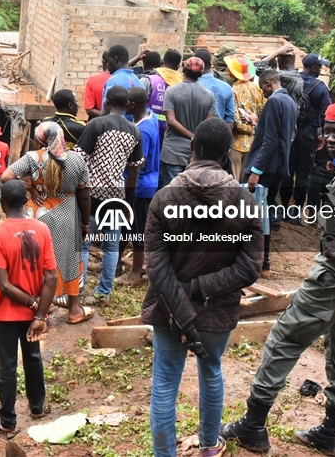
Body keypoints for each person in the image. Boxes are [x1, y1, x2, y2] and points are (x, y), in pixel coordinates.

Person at [225, 101, 335, 456]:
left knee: (287, 334)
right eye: (327, 130)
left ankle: (253, 425)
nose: (330, 138)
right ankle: (332, 433)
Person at [145, 119, 263, 457]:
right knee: (211, 371)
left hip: (168, 309)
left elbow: (157, 266)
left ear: (193, 147)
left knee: (165, 383)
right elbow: (249, 267)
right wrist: (201, 289)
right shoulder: (244, 200)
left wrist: (186, 295)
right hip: (217, 310)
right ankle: (210, 446)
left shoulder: (164, 198)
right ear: (227, 155)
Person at [0, 180, 57, 437]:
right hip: (32, 315)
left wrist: (32, 303)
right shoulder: (42, 229)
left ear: (2, 204)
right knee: (33, 358)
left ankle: (7, 420)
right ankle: (37, 407)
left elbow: (3, 286)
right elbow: (51, 278)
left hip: (6, 314)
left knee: (7, 366)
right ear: (26, 202)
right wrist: (41, 313)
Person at [2, 122, 93, 324]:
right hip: (67, 218)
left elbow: (6, 176)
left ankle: (41, 304)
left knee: (38, 260)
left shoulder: (33, 157)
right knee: (69, 258)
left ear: (41, 139)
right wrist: (85, 224)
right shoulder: (77, 159)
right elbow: (85, 196)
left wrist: (29, 187)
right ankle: (74, 310)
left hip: (37, 217)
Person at [77, 86, 144, 302]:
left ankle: (78, 290)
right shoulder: (135, 131)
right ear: (126, 105)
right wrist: (127, 202)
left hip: (91, 195)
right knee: (111, 245)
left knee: (84, 244)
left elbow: (79, 161)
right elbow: (134, 170)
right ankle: (104, 293)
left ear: (107, 102)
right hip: (116, 196)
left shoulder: (96, 124)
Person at [244, 69, 298, 277]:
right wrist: (258, 124)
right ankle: (264, 263)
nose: (263, 94)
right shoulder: (290, 101)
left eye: (262, 90)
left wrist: (256, 171)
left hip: (265, 167)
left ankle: (254, 261)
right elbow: (280, 134)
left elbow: (271, 140)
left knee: (252, 213)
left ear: (268, 84)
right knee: (266, 212)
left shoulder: (274, 102)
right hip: (279, 166)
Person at [280, 53, 331, 215]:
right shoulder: (321, 88)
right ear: (314, 67)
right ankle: (295, 213)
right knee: (303, 173)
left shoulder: (290, 80)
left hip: (290, 132)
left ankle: (283, 207)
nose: (321, 69)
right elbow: (326, 114)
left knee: (287, 169)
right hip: (309, 135)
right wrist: (322, 134)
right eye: (320, 66)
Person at [161, 57, 218, 186]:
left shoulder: (171, 91)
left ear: (183, 70)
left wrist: (192, 136)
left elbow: (171, 120)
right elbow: (208, 125)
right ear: (201, 73)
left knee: (173, 194)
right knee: (193, 194)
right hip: (196, 154)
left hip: (173, 151)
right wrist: (195, 139)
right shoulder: (209, 96)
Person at [124, 86, 160, 285]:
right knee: (123, 226)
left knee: (137, 228)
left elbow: (141, 162)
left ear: (132, 105)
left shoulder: (142, 130)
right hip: (144, 183)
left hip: (140, 186)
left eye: (126, 103)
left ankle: (136, 272)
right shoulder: (150, 117)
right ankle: (115, 264)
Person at [226, 55, 265, 182]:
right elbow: (263, 114)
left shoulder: (233, 90)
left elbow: (236, 121)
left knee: (234, 184)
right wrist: (255, 130)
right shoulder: (258, 90)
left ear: (232, 73)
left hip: (237, 144)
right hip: (254, 144)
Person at [194, 49, 235, 124]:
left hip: (193, 133)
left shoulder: (190, 88)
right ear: (210, 64)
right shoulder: (226, 87)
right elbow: (230, 118)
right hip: (219, 132)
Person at [84, 50, 112, 119]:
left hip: (97, 124)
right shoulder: (124, 80)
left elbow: (89, 109)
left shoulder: (92, 80)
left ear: (103, 62)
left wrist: (106, 116)